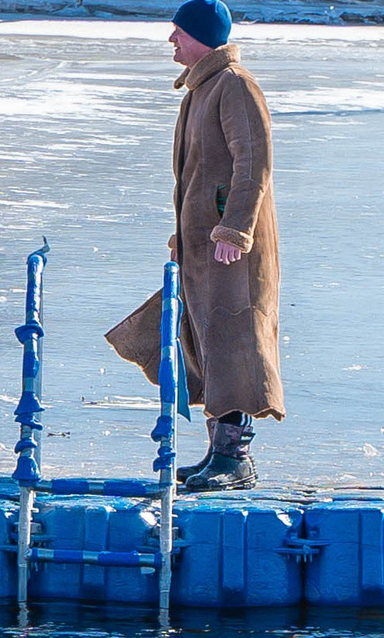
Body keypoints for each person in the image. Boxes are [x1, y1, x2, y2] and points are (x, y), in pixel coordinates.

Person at [105, 0, 280, 493]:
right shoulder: (202, 89)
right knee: (206, 341)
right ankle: (217, 452)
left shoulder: (235, 86)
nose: (171, 41)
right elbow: (198, 177)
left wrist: (234, 229)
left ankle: (235, 458)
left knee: (235, 342)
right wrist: (186, 237)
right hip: (203, 245)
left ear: (202, 36)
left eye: (179, 32)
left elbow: (254, 163)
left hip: (233, 248)